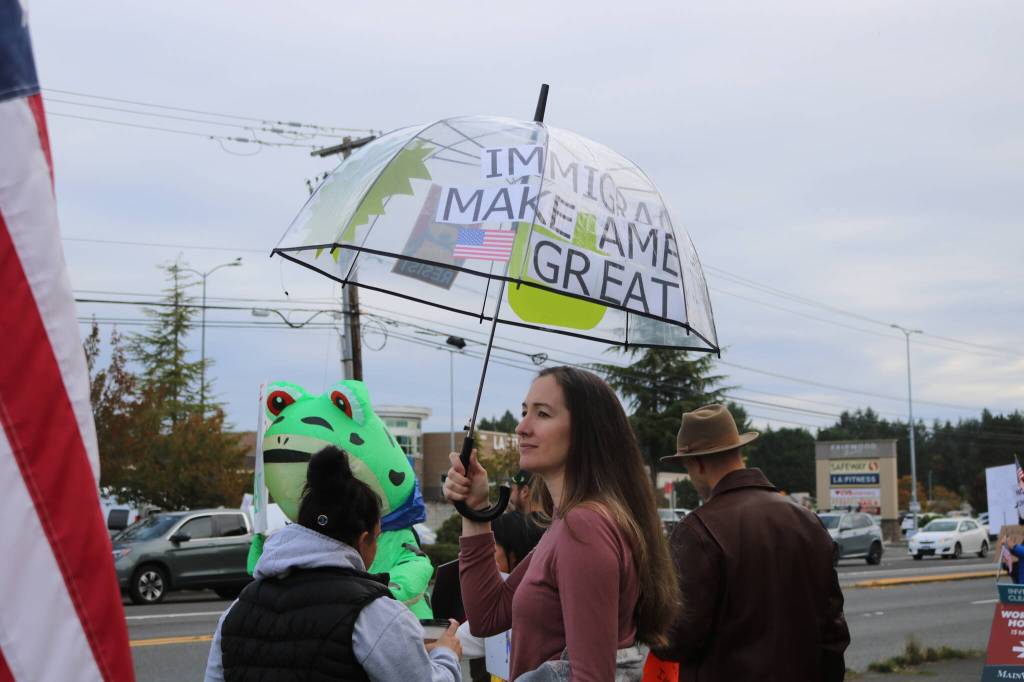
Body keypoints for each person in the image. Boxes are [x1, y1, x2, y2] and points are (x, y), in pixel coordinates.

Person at [444, 366, 678, 681]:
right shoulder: (568, 521)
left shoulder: (585, 526)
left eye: (542, 414)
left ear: (585, 430)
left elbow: (591, 677)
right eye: (524, 411)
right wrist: (474, 509)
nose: (521, 427)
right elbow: (488, 615)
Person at [204, 446, 462, 682]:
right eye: (377, 537)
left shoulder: (239, 608)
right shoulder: (374, 613)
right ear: (364, 540)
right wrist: (446, 656)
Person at [653, 404, 850, 682]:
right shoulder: (809, 522)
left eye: (686, 467)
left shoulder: (697, 531)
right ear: (738, 452)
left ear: (697, 463)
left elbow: (675, 640)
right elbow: (833, 633)